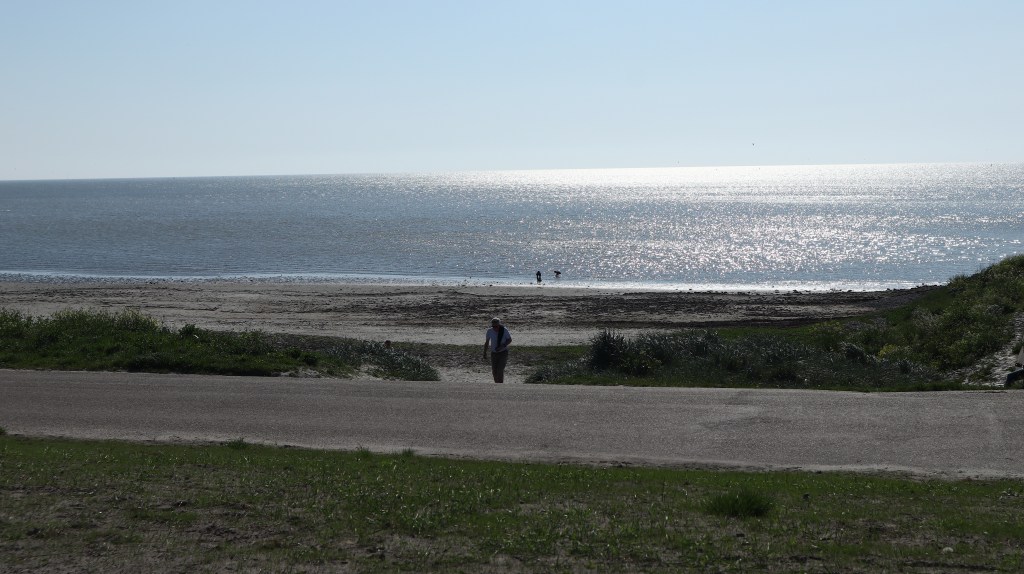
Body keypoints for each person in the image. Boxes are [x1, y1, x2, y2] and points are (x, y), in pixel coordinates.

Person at [483, 317, 512, 383]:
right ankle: (496, 384)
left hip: (503, 353)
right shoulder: (489, 331)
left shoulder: (504, 330)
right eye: (493, 326)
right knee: (494, 371)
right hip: (494, 353)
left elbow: (509, 340)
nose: (495, 328)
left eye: (496, 326)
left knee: (500, 370)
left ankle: (500, 385)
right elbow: (487, 342)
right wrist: (484, 353)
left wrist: (502, 346)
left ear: (499, 325)